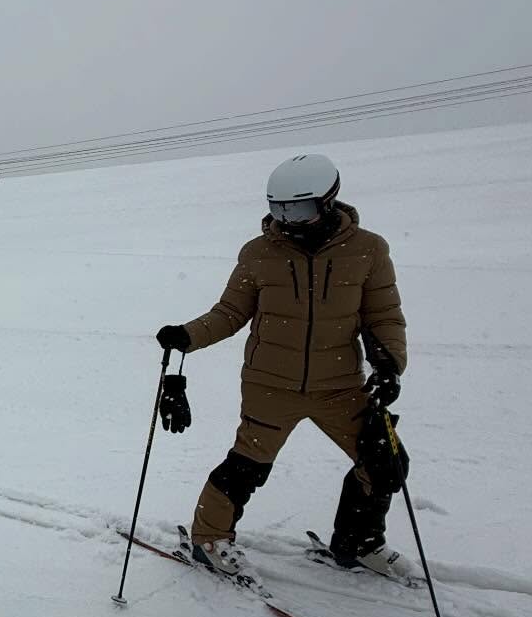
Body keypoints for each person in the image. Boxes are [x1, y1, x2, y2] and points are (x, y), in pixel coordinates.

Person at [154, 152, 413, 583]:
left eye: (299, 208)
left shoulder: (369, 250)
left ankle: (358, 543)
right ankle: (209, 539)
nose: (287, 219)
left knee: (386, 463)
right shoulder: (258, 253)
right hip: (269, 385)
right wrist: (188, 334)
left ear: (329, 201)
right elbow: (230, 312)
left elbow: (384, 316)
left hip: (340, 386)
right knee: (247, 466)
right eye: (278, 208)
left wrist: (390, 365)